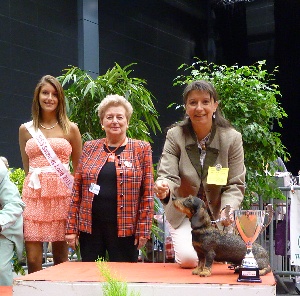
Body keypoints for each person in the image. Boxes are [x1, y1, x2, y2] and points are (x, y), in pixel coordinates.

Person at [154, 80, 246, 268]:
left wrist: (227, 209)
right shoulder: (175, 135)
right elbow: (168, 175)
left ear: (215, 105)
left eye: (205, 102)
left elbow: (235, 184)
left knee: (223, 256)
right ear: (186, 107)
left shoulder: (232, 138)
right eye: (193, 102)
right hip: (185, 213)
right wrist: (163, 187)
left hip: (218, 214)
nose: (199, 108)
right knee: (190, 259)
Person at [65, 94, 154, 262]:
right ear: (102, 122)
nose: (115, 121)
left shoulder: (141, 149)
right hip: (90, 227)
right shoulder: (90, 147)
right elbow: (77, 189)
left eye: (120, 117)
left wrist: (144, 229)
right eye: (109, 117)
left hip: (126, 228)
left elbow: (148, 193)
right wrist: (71, 228)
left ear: (127, 121)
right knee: (90, 275)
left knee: (123, 278)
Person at [19, 75, 82, 273]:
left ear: (60, 99)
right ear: (38, 96)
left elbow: (78, 169)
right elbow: (26, 166)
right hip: (34, 194)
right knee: (33, 258)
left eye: (55, 94)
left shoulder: (71, 129)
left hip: (62, 195)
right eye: (45, 93)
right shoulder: (25, 130)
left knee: (61, 257)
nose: (49, 98)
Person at [0, 158, 25, 285]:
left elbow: (14, 203)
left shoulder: (0, 172)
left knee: (0, 269)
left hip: (2, 231)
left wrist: (1, 222)